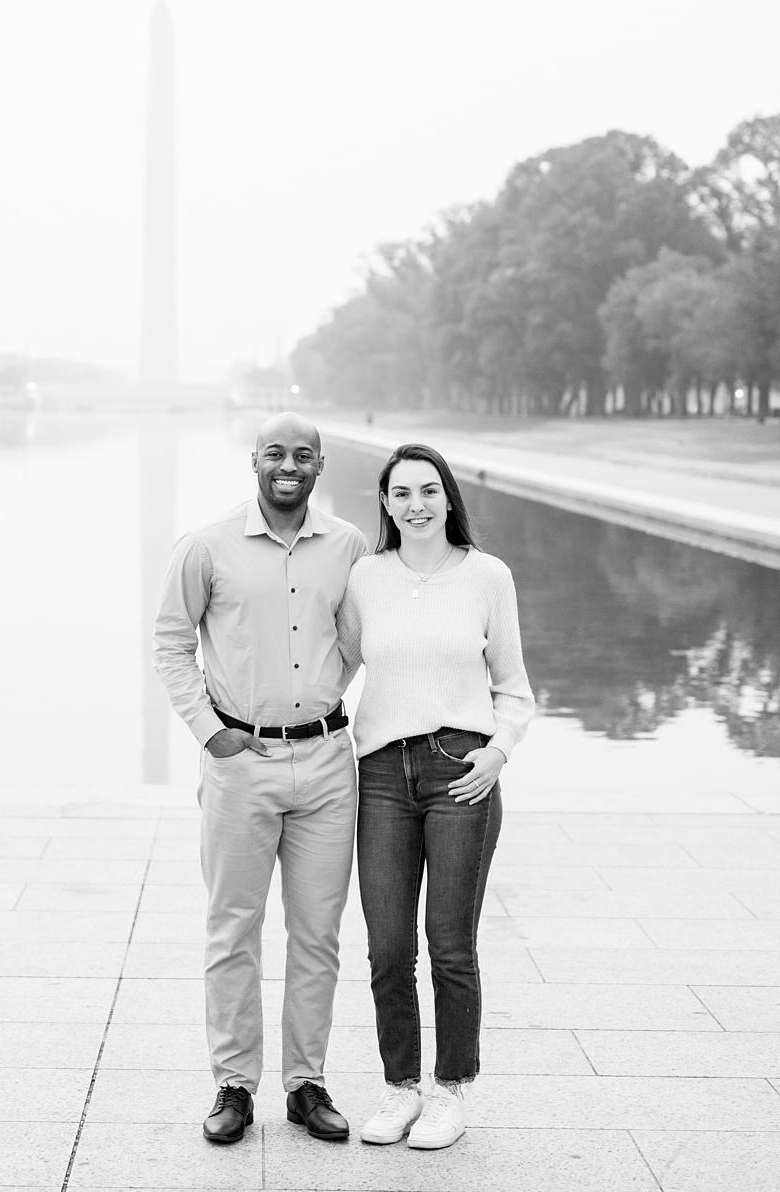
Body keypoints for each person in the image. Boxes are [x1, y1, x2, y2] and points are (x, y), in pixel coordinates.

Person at [153, 412, 368, 1148]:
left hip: (329, 764)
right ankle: (234, 1085)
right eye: (275, 453)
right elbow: (171, 645)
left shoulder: (349, 546)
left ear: (318, 464)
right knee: (232, 929)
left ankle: (305, 1084)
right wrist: (210, 731)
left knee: (317, 935)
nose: (288, 465)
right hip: (240, 762)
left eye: (302, 455)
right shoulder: (206, 547)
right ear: (253, 461)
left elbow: (368, 638)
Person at [339, 444, 533, 1151]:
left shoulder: (489, 577)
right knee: (388, 948)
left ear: (449, 497)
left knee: (449, 944)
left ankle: (450, 1090)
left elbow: (515, 688)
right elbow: (333, 671)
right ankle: (400, 1089)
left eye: (427, 490)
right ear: (385, 505)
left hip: (461, 771)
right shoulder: (366, 577)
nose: (415, 504)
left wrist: (497, 752)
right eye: (400, 494)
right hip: (382, 777)